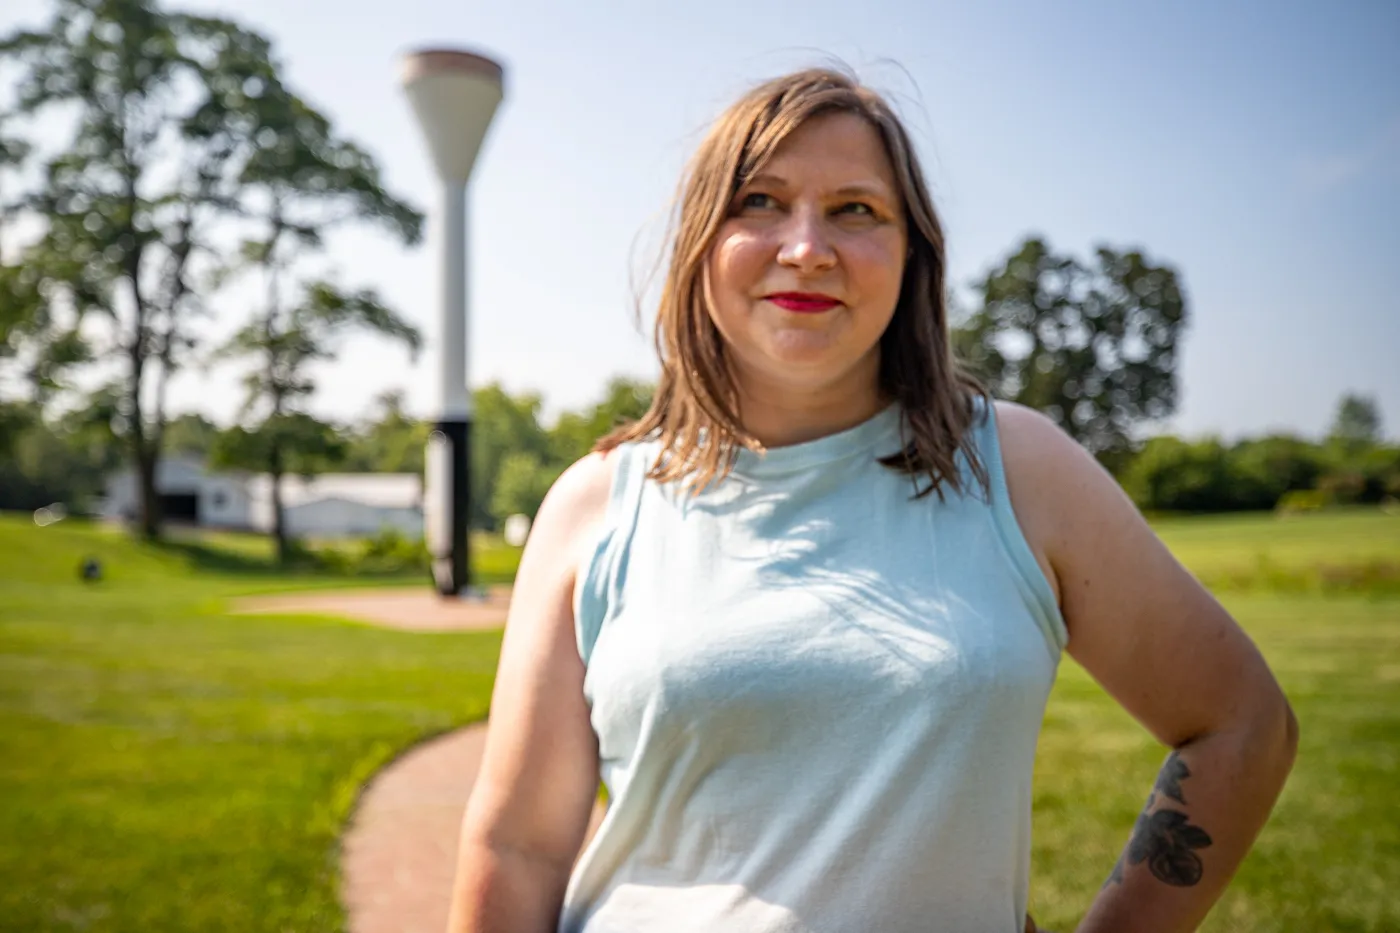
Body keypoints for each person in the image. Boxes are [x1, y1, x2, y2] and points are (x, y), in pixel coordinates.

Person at [445, 67, 1299, 933]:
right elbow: (518, 845)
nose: (807, 246)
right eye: (760, 201)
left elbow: (1240, 724)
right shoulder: (598, 503)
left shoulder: (1019, 467)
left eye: (856, 210)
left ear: (911, 254)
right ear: (701, 242)